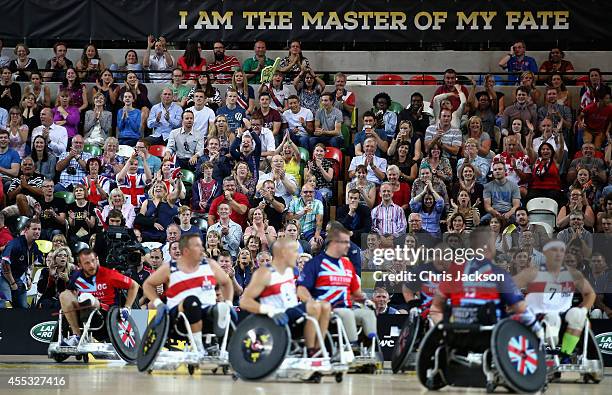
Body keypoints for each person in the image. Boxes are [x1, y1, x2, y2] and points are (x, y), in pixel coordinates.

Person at [144, 233, 234, 353]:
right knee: (192, 302)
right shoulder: (170, 268)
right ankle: (198, 346)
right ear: (186, 250)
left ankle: (226, 348)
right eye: (197, 246)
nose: (202, 248)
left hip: (207, 314)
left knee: (223, 308)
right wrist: (158, 304)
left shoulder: (210, 264)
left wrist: (228, 302)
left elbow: (226, 283)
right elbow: (147, 285)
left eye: (201, 245)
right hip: (180, 317)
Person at [241, 237, 330, 355]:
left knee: (325, 306)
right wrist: (270, 311)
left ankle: (318, 350)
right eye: (294, 251)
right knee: (314, 307)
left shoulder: (289, 271)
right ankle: (310, 351)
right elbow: (244, 301)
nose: (297, 255)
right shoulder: (265, 273)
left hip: (292, 312)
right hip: (277, 316)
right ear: (283, 253)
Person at [297, 221, 376, 351]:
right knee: (347, 313)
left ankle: (369, 346)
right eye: (344, 242)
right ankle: (352, 346)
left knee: (368, 314)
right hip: (327, 308)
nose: (348, 246)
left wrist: (366, 300)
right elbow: (301, 289)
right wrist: (313, 305)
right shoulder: (315, 264)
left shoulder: (347, 265)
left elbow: (356, 293)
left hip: (347, 307)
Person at [514, 240, 595, 362]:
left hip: (562, 314)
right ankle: (550, 354)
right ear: (545, 253)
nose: (558, 253)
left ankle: (565, 355)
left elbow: (590, 294)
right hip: (538, 315)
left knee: (578, 315)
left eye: (561, 250)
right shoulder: (533, 272)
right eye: (554, 250)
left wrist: (584, 309)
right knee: (552, 317)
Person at [59, 248, 139, 346]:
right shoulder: (76, 277)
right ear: (80, 265)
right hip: (83, 309)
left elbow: (134, 285)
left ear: (97, 259)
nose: (92, 265)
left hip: (106, 312)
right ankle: (77, 336)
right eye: (87, 263)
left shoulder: (109, 274)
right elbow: (70, 291)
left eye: (93, 261)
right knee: (64, 295)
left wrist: (127, 307)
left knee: (87, 297)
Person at [0, 218, 42, 308]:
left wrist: (29, 277)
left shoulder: (35, 246)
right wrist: (12, 283)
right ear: (26, 230)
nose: (37, 232)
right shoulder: (15, 244)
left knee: (23, 307)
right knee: (5, 306)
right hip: (3, 277)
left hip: (17, 278)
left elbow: (31, 264)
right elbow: (4, 264)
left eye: (39, 229)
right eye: (34, 229)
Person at [287, 183, 324, 252]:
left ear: (314, 194)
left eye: (311, 192)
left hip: (310, 231)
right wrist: (302, 212)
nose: (308, 194)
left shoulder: (318, 203)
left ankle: (308, 261)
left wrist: (317, 234)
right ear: (301, 193)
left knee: (316, 244)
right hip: (295, 231)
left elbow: (319, 221)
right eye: (305, 192)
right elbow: (289, 219)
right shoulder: (294, 202)